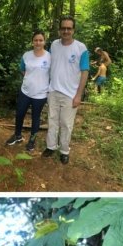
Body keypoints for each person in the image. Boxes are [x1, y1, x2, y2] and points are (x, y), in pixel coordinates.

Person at [43, 16, 89, 164]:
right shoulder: (54, 45)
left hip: (71, 94)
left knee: (66, 124)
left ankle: (64, 150)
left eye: (69, 28)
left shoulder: (81, 48)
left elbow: (85, 72)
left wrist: (78, 95)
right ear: (59, 30)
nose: (66, 31)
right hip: (53, 91)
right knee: (52, 121)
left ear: (73, 30)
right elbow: (48, 66)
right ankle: (50, 146)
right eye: (63, 28)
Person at [5, 29, 51, 152]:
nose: (38, 42)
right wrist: (31, 79)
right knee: (20, 114)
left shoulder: (49, 56)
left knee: (36, 118)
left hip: (41, 94)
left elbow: (52, 74)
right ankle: (17, 135)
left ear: (44, 42)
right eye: (35, 40)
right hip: (25, 91)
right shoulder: (26, 55)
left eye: (40, 40)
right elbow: (22, 69)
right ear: (32, 42)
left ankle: (32, 140)